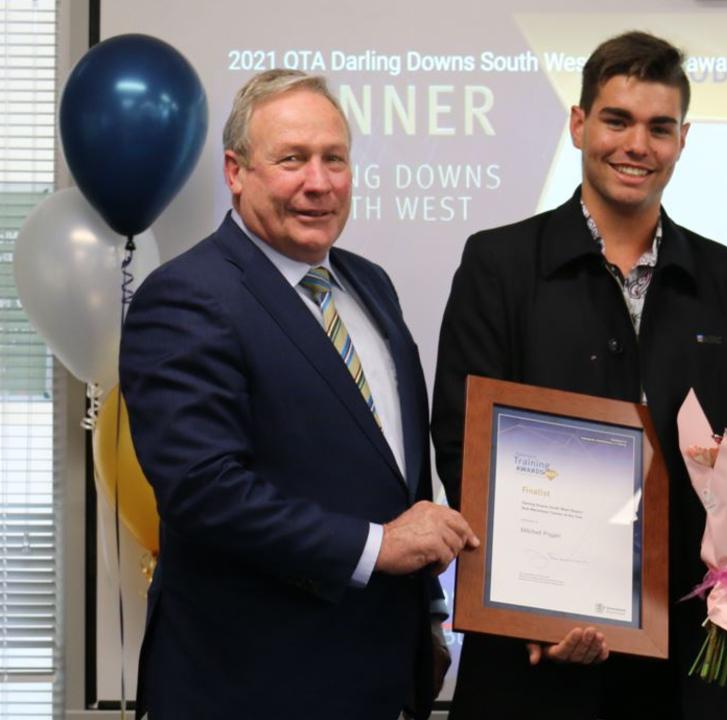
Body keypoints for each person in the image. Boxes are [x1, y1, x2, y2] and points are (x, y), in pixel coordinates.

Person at [432, 31, 727, 720]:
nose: (636, 146)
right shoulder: (499, 265)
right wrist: (534, 607)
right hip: (537, 655)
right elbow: (464, 446)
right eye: (616, 120)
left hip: (691, 661)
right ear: (579, 123)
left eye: (659, 128)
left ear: (683, 139)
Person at [120, 69, 478, 719]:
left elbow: (392, 469)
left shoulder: (369, 284)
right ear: (236, 171)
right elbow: (204, 490)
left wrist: (428, 607)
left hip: (380, 677)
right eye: (292, 160)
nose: (319, 182)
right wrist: (378, 547)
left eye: (333, 159)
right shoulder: (185, 296)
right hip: (250, 685)